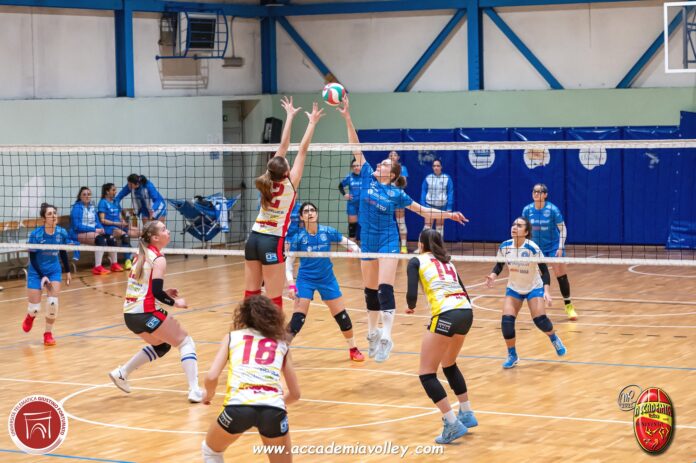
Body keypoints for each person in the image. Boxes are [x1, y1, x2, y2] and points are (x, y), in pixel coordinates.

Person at [338, 96, 468, 363]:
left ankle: (387, 335)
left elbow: (423, 211)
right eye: (381, 163)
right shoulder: (366, 175)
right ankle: (372, 331)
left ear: (393, 174)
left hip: (387, 240)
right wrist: (347, 116)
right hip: (368, 240)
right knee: (369, 292)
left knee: (384, 288)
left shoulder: (397, 194)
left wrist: (449, 214)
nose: (379, 165)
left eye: (385, 164)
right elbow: (355, 146)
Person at [108, 220, 204, 403]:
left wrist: (164, 293)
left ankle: (122, 373)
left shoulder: (141, 254)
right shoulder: (158, 259)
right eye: (164, 229)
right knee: (186, 342)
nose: (168, 231)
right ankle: (194, 390)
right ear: (155, 238)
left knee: (162, 345)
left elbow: (145, 289)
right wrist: (175, 302)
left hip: (130, 316)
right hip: (146, 313)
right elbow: (156, 292)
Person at [244, 97, 324, 310]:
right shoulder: (291, 183)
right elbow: (302, 150)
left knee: (250, 294)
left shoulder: (266, 178)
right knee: (274, 299)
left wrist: (289, 116)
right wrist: (312, 123)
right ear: (286, 172)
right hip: (272, 240)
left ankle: (247, 327)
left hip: (253, 239)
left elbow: (283, 146)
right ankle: (274, 331)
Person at [201, 295, 300, 463]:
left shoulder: (232, 337)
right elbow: (295, 394)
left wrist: (208, 395)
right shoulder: (282, 344)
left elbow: (211, 376)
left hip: (238, 406)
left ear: (243, 316)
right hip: (273, 410)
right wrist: (273, 404)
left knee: (211, 451)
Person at [406, 229, 477, 444]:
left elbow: (411, 294)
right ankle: (466, 412)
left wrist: (410, 306)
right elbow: (464, 291)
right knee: (449, 364)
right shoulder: (448, 262)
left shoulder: (416, 261)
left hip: (446, 314)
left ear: (421, 243)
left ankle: (452, 423)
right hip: (466, 312)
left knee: (426, 374)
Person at [285, 202, 364, 362]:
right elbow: (288, 264)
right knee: (298, 319)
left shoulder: (327, 232)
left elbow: (348, 243)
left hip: (327, 279)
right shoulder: (298, 238)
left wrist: (358, 252)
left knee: (342, 317)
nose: (310, 213)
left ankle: (353, 348)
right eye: (306, 211)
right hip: (305, 280)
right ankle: (280, 350)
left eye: (312, 210)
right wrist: (291, 285)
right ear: (301, 217)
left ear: (317, 214)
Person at [485, 217, 567, 369]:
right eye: (513, 224)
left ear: (526, 231)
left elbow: (544, 271)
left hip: (533, 287)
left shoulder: (532, 248)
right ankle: (512, 355)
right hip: (514, 288)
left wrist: (546, 291)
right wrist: (493, 276)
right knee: (506, 322)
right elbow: (499, 265)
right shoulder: (505, 246)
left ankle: (553, 337)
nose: (514, 227)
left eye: (519, 225)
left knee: (541, 322)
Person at [521, 183, 577, 320]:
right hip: (537, 248)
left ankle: (569, 306)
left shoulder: (553, 210)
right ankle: (540, 309)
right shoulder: (527, 210)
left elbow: (563, 229)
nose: (536, 194)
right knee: (540, 277)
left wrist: (560, 247)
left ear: (545, 195)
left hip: (553, 246)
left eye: (539, 192)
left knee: (561, 275)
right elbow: (524, 230)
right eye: (534, 191)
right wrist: (525, 246)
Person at [22, 203, 74, 346]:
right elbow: (33, 258)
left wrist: (68, 271)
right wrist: (42, 275)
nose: (54, 216)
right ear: (44, 218)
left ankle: (48, 334)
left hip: (53, 271)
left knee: (52, 303)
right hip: (36, 272)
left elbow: (62, 252)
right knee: (35, 309)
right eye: (50, 214)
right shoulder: (36, 235)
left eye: (55, 213)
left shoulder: (62, 233)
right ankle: (30, 316)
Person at [99, 183, 139, 272]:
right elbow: (102, 220)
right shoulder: (103, 202)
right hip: (109, 227)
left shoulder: (116, 202)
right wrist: (117, 223)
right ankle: (128, 261)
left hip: (118, 226)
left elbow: (120, 217)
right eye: (113, 190)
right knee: (125, 236)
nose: (115, 192)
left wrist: (124, 223)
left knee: (141, 232)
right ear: (107, 192)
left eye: (115, 190)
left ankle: (142, 256)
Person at [71, 186, 111, 275]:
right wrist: (95, 229)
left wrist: (101, 228)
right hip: (78, 234)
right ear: (80, 196)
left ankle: (114, 264)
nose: (87, 196)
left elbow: (97, 221)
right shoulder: (77, 208)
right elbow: (77, 226)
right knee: (101, 240)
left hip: (91, 232)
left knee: (110, 238)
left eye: (89, 194)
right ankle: (97, 267)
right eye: (84, 194)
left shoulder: (92, 207)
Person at [420, 159, 454, 236]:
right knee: (427, 228)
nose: (436, 167)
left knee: (439, 229)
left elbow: (450, 192)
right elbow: (423, 192)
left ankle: (438, 244)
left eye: (438, 166)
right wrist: (422, 205)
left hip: (442, 206)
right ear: (432, 167)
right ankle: (423, 243)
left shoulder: (447, 178)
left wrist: (449, 207)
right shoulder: (428, 178)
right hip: (429, 206)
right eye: (434, 166)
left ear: (441, 167)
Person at [389, 150, 409, 253]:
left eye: (395, 155)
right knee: (385, 223)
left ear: (398, 157)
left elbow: (404, 183)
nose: (393, 156)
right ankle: (387, 246)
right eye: (391, 155)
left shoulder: (402, 168)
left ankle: (404, 246)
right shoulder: (385, 168)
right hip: (386, 198)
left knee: (401, 222)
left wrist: (394, 180)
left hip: (398, 199)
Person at [338, 159, 362, 241]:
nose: (356, 167)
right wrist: (345, 194)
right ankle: (352, 245)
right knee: (352, 226)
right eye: (354, 166)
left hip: (365, 204)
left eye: (357, 165)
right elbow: (340, 186)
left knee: (366, 225)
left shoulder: (366, 176)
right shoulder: (349, 177)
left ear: (361, 166)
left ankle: (366, 246)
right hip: (352, 204)